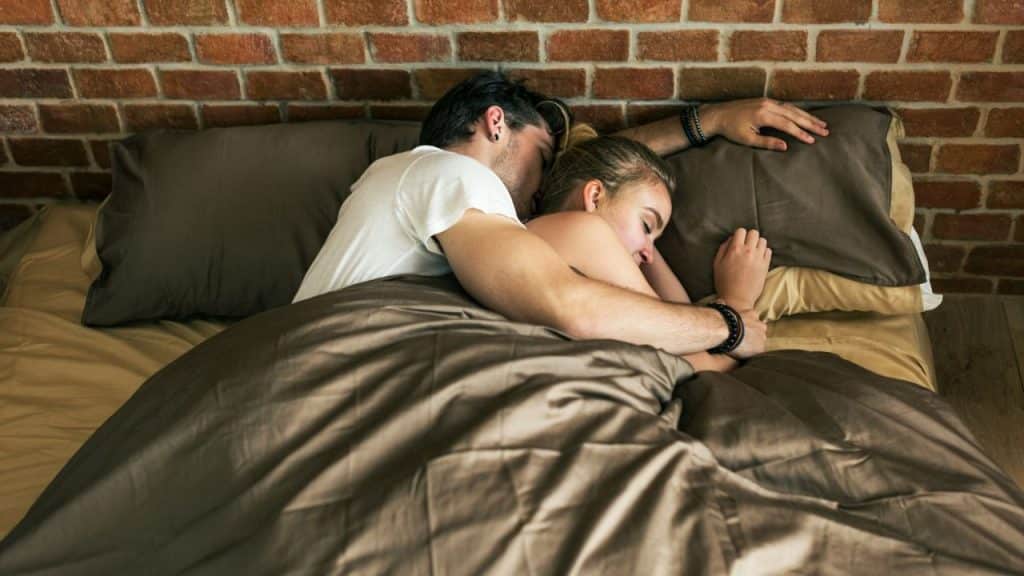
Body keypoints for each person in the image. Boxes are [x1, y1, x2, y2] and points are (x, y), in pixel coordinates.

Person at [293, 71, 828, 360]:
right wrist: (730, 319)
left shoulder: (412, 186)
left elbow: (596, 176)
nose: (541, 187)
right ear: (495, 124)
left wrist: (705, 122)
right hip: (334, 368)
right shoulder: (453, 176)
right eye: (542, 157)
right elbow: (572, 305)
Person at [526, 125, 771, 372]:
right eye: (646, 224)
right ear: (595, 196)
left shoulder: (557, 241)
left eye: (655, 239)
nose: (649, 255)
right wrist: (738, 301)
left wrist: (646, 239)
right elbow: (701, 366)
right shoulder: (581, 229)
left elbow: (683, 324)